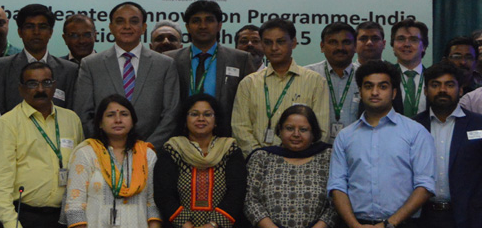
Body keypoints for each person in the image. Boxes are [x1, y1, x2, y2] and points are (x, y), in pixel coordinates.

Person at [329, 60, 435, 228]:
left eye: (383, 87)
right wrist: (354, 225)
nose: (375, 92)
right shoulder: (345, 136)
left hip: (402, 224)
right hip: (355, 224)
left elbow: (425, 186)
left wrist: (389, 224)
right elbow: (337, 185)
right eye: (368, 86)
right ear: (360, 92)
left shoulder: (415, 132)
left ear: (394, 93)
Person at [0, 60, 85, 228]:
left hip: (63, 217)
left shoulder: (71, 119)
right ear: (21, 88)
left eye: (46, 83)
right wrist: (12, 224)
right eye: (32, 84)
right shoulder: (7, 124)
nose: (40, 89)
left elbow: (81, 171)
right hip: (24, 216)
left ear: (54, 86)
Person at [413, 62, 482, 228]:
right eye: (435, 85)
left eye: (449, 85)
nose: (442, 90)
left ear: (461, 90)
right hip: (423, 218)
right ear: (426, 91)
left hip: (470, 219)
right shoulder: (413, 126)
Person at [72, 1, 180, 146]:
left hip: (152, 152)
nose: (127, 26)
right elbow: (83, 114)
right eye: (120, 21)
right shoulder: (91, 65)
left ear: (144, 28)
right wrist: (106, 148)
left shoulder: (165, 64)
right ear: (111, 27)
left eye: (134, 21)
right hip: (103, 152)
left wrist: (146, 150)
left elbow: (170, 115)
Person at [231, 18, 330, 155]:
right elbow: (240, 128)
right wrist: (260, 157)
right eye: (268, 42)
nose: (274, 48)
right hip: (257, 162)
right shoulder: (248, 83)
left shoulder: (315, 81)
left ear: (293, 43)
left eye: (280, 41)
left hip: (302, 161)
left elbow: (321, 130)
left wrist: (296, 159)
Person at [64, 95, 161, 228]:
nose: (118, 120)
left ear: (133, 121)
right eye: (110, 115)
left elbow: (153, 204)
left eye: (124, 114)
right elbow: (75, 206)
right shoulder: (86, 154)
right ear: (100, 123)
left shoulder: (147, 155)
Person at [154, 93, 247, 228]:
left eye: (207, 114)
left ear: (216, 121)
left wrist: (213, 224)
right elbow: (164, 194)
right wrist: (185, 224)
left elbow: (236, 192)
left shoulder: (229, 149)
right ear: (185, 120)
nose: (201, 119)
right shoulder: (172, 149)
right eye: (194, 114)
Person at [167, 0, 255, 132]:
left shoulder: (241, 60)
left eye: (209, 20)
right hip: (180, 135)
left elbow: (250, 104)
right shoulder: (170, 59)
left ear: (219, 25)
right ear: (188, 27)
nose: (203, 26)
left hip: (226, 135)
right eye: (196, 21)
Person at [244, 104, 337, 228]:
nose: (296, 134)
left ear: (313, 133)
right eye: (289, 128)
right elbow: (250, 200)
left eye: (303, 130)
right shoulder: (262, 157)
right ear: (280, 130)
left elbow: (337, 201)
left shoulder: (328, 157)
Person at [0, 3, 78, 113]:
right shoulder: (0, 67)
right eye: (29, 27)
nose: (36, 32)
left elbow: (71, 113)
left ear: (51, 32)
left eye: (42, 27)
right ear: (20, 32)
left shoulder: (69, 70)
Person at [305, 21, 361, 137]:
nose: (340, 47)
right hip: (316, 145)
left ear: (355, 46)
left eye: (346, 42)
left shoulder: (365, 76)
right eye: (333, 42)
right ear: (322, 46)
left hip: (356, 145)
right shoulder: (307, 75)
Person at [391, 17, 430, 116]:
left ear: (424, 47)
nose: (407, 44)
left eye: (414, 40)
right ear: (393, 46)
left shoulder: (433, 78)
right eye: (401, 39)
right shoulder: (385, 77)